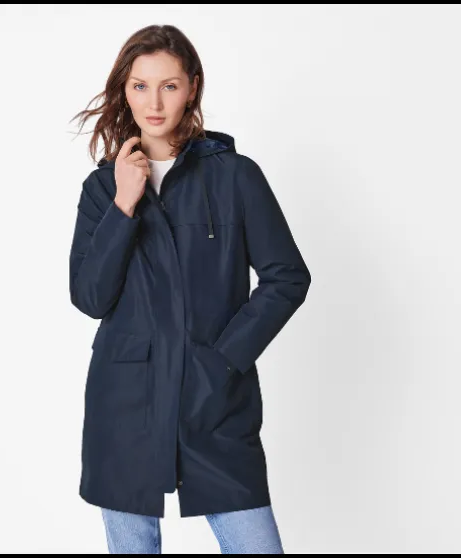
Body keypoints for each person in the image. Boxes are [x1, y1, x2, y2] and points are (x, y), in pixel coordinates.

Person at [68, 24, 311, 554]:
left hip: (213, 397)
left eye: (169, 86)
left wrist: (224, 359)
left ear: (192, 87)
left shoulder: (235, 177)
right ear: (125, 89)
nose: (154, 103)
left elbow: (287, 276)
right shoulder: (102, 189)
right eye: (140, 86)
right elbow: (90, 297)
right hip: (126, 402)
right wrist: (124, 205)